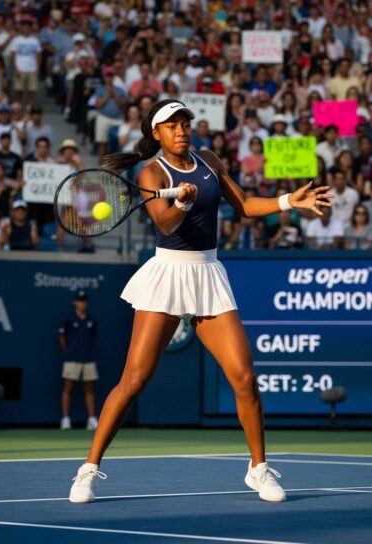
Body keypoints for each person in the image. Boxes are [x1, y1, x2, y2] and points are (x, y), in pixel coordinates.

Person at [68, 99, 332, 504]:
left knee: (244, 376)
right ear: (156, 133)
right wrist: (182, 203)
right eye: (172, 125)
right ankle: (88, 468)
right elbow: (165, 222)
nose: (181, 130)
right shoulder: (152, 171)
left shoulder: (208, 159)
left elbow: (243, 205)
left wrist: (286, 202)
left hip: (208, 273)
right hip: (168, 274)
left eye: (185, 123)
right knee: (134, 380)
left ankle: (258, 469)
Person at [59, 291, 99, 431]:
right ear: (74, 302)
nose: (82, 303)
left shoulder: (91, 319)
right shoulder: (69, 318)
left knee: (90, 388)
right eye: (79, 300)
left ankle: (91, 419)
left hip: (88, 358)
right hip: (72, 359)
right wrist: (69, 352)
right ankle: (65, 419)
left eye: (84, 300)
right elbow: (62, 337)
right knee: (68, 388)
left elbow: (92, 337)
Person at [9, 19, 42, 109]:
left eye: (28, 27)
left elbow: (38, 55)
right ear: (21, 28)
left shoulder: (35, 40)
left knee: (32, 91)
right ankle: (17, 110)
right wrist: (15, 68)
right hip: (20, 68)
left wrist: (38, 68)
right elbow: (12, 55)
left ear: (30, 29)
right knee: (18, 91)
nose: (26, 29)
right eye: (24, 27)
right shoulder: (16, 40)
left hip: (32, 68)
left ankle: (29, 110)